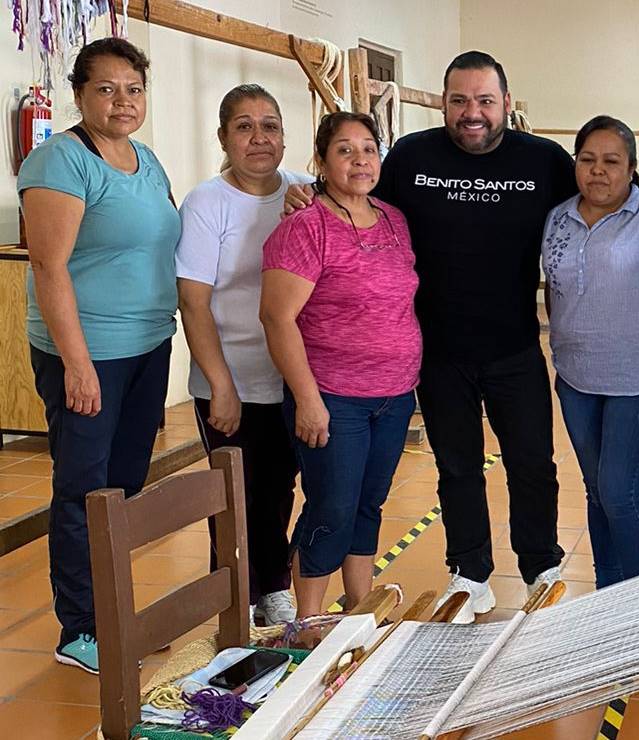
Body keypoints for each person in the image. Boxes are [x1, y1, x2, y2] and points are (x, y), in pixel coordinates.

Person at [285, 51, 639, 622]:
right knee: (457, 467)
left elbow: (605, 184)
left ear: (506, 103)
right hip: (439, 353)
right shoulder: (411, 156)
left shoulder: (543, 160)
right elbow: (358, 191)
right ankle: (470, 571)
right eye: (459, 100)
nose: (471, 112)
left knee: (533, 464)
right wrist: (307, 193)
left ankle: (541, 567)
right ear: (445, 103)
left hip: (515, 349)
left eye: (484, 100)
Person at [18, 38, 178, 674]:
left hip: (147, 343)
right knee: (84, 489)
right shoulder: (60, 160)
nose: (122, 101)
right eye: (106, 89)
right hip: (89, 353)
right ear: (79, 94)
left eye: (133, 89)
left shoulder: (146, 158)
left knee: (123, 485)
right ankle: (79, 629)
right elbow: (49, 268)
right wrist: (77, 364)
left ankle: (113, 609)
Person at [260, 112, 421, 618]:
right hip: (333, 395)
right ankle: (306, 620)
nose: (359, 160)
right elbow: (277, 317)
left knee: (367, 505)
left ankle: (358, 608)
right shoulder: (306, 227)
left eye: (368, 149)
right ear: (322, 162)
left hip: (394, 395)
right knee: (330, 506)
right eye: (345, 151)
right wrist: (308, 399)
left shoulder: (395, 220)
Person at [176, 84, 312, 626]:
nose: (260, 138)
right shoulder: (207, 202)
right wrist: (221, 384)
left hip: (291, 375)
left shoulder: (305, 191)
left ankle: (274, 585)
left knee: (278, 489)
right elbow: (193, 300)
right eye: (244, 126)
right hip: (229, 373)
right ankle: (235, 600)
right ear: (224, 138)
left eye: (270, 126)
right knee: (233, 497)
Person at [542, 115, 639, 588]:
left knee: (618, 491)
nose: (597, 171)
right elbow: (554, 288)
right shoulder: (558, 217)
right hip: (575, 377)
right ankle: (607, 591)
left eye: (611, 161)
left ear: (631, 167)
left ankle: (638, 600)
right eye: (587, 160)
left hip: (637, 379)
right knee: (597, 491)